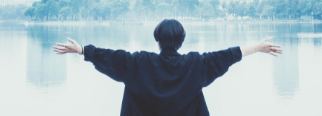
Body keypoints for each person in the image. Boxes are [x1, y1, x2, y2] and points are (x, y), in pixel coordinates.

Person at [53, 19, 282, 116]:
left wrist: (81, 50)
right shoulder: (195, 65)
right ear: (181, 41)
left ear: (157, 39)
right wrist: (258, 47)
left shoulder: (138, 63)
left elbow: (111, 58)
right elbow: (226, 56)